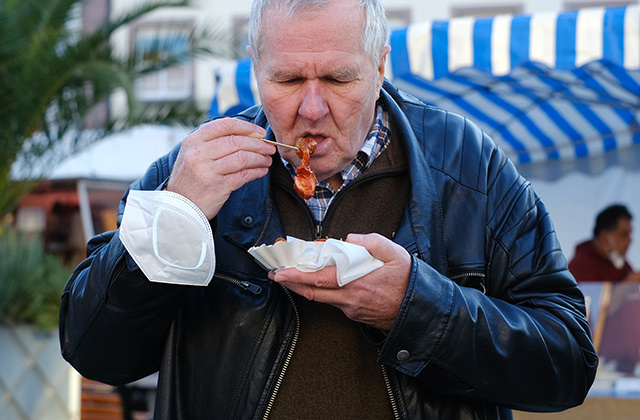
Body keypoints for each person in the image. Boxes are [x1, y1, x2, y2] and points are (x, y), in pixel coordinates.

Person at [59, 0, 597, 418]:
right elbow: (95, 354)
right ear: (256, 69)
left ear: (381, 63)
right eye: (288, 79)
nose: (311, 110)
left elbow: (568, 363)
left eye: (338, 79)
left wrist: (416, 307)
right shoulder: (195, 168)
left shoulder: (470, 167)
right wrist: (172, 221)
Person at [569, 204, 640, 282]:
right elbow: (588, 293)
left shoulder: (623, 267)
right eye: (624, 234)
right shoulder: (580, 266)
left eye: (630, 234)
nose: (630, 240)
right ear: (605, 237)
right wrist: (628, 285)